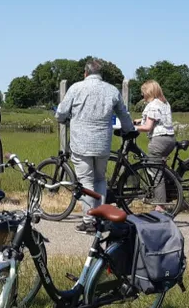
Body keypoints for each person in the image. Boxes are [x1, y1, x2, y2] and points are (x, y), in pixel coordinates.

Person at [56, 58, 135, 234]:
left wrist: (63, 119)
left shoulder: (76, 88)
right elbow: (123, 114)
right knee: (100, 179)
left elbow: (61, 112)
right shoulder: (112, 90)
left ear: (85, 73)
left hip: (81, 143)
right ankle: (100, 217)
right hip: (102, 143)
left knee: (85, 180)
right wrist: (129, 129)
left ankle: (88, 220)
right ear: (101, 74)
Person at [133, 80, 176, 212]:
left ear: (149, 92)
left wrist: (133, 127)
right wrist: (139, 120)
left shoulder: (152, 105)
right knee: (160, 168)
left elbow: (148, 127)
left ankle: (160, 205)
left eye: (143, 93)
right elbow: (158, 119)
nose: (142, 96)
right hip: (170, 139)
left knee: (155, 171)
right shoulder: (164, 103)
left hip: (158, 141)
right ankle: (172, 191)